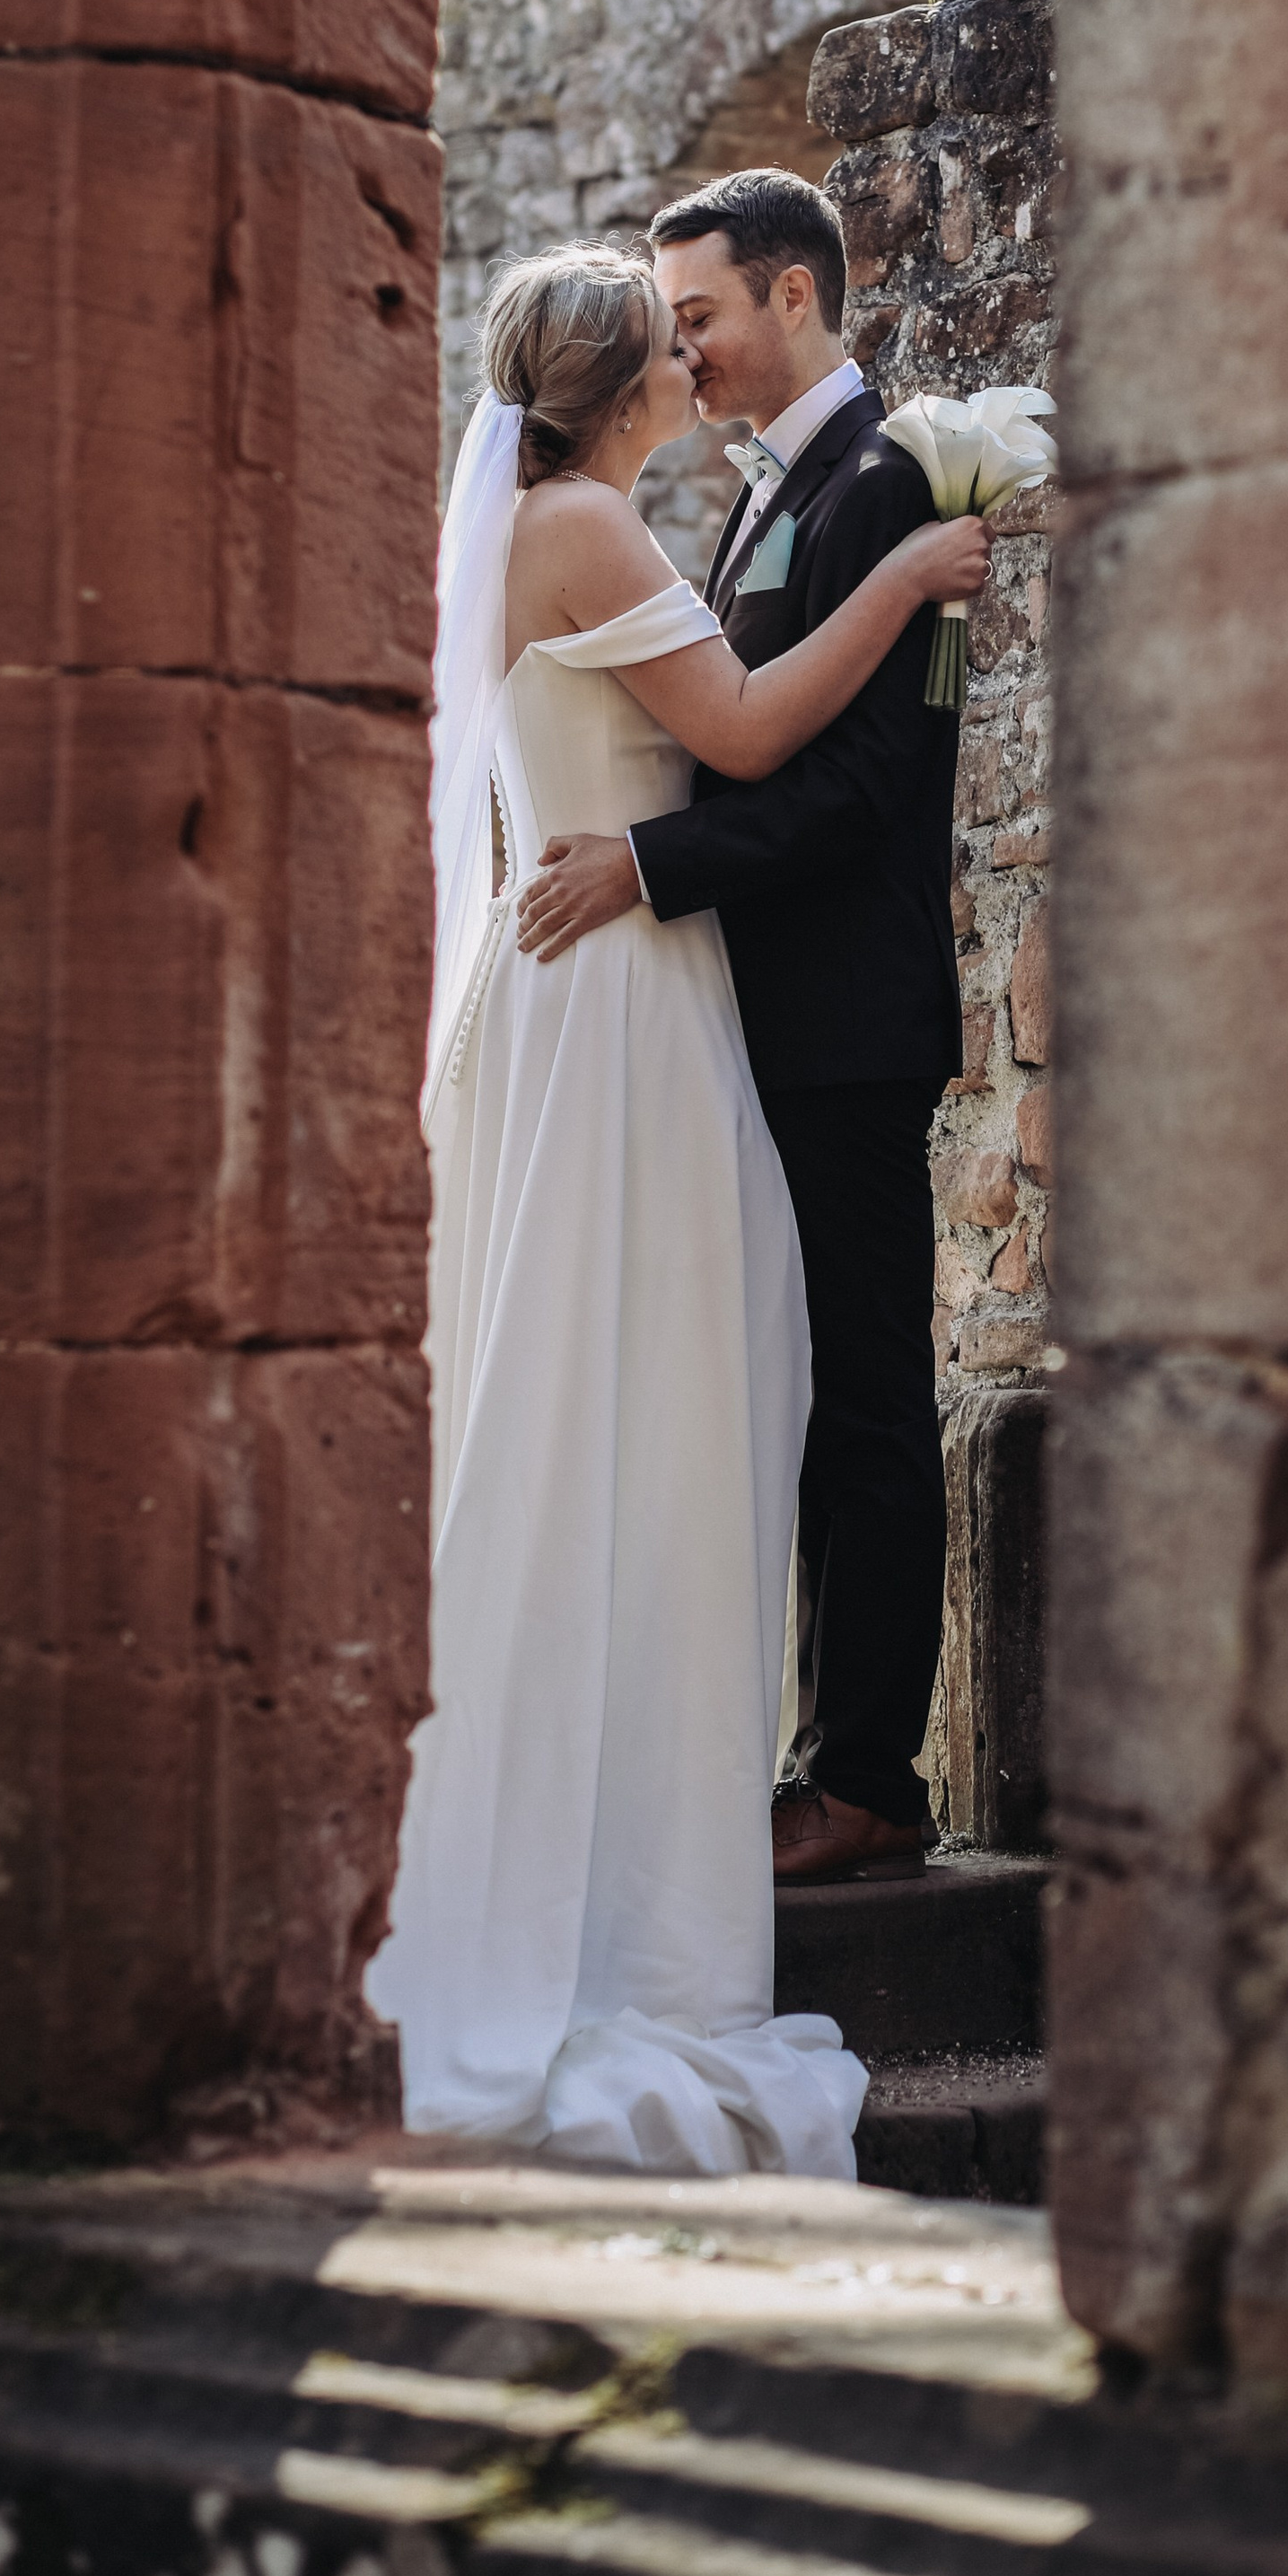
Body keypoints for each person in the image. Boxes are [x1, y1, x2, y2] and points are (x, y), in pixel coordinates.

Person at [364, 241, 987, 2176]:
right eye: (673, 336)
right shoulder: (586, 534)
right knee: (648, 1421)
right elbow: (736, 733)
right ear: (630, 381)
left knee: (586, 1413)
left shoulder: (538, 526)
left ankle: (597, 1816)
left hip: (572, 1009)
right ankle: (621, 1875)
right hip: (620, 1019)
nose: (692, 355)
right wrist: (907, 571)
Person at [516, 171, 964, 1890]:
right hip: (738, 1012)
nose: (680, 347)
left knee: (862, 1394)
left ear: (792, 297)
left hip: (843, 1017)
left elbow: (864, 794)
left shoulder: (890, 485)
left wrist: (650, 863)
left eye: (698, 314)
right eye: (662, 323)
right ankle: (793, 1753)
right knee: (771, 1389)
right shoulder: (758, 496)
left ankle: (868, 1779)